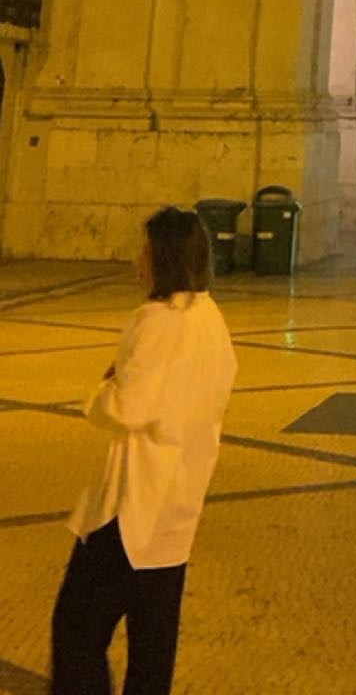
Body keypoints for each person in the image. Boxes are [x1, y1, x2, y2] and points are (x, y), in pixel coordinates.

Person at [50, 205, 236, 695]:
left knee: (76, 633)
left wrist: (98, 393)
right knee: (153, 649)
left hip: (130, 509)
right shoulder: (211, 320)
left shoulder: (155, 321)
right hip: (178, 507)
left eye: (145, 250)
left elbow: (127, 405)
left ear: (164, 257)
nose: (139, 260)